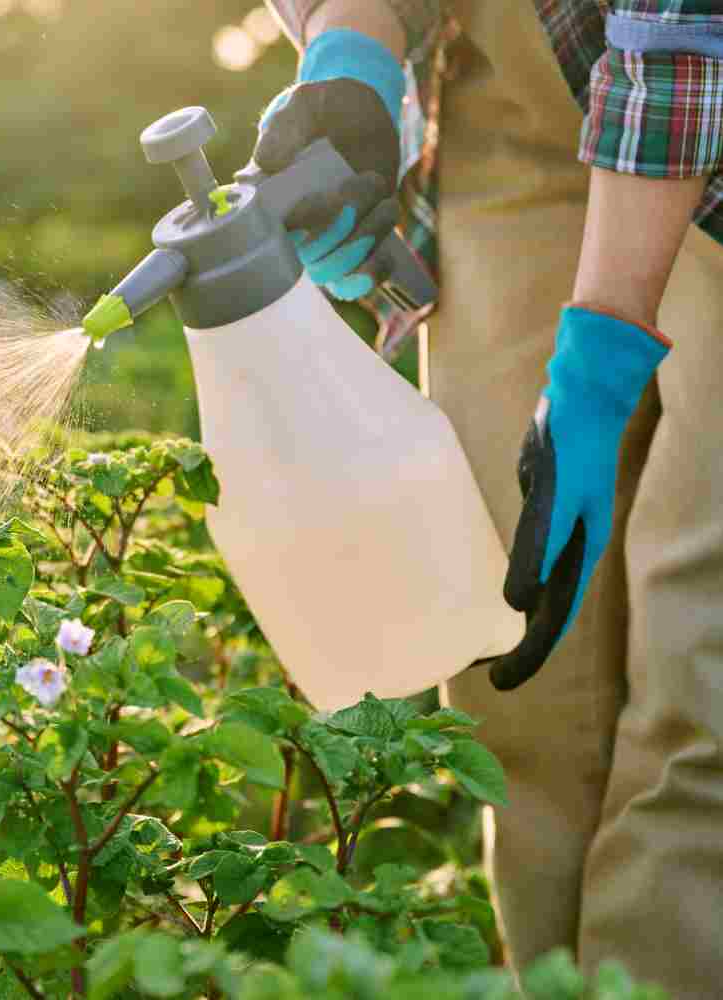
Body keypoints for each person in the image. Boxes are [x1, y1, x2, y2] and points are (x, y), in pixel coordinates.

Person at [255, 0, 723, 995]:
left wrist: (598, 369)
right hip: (508, 101)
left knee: (705, 671)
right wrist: (352, 49)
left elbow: (682, 39)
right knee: (516, 661)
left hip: (698, 73)